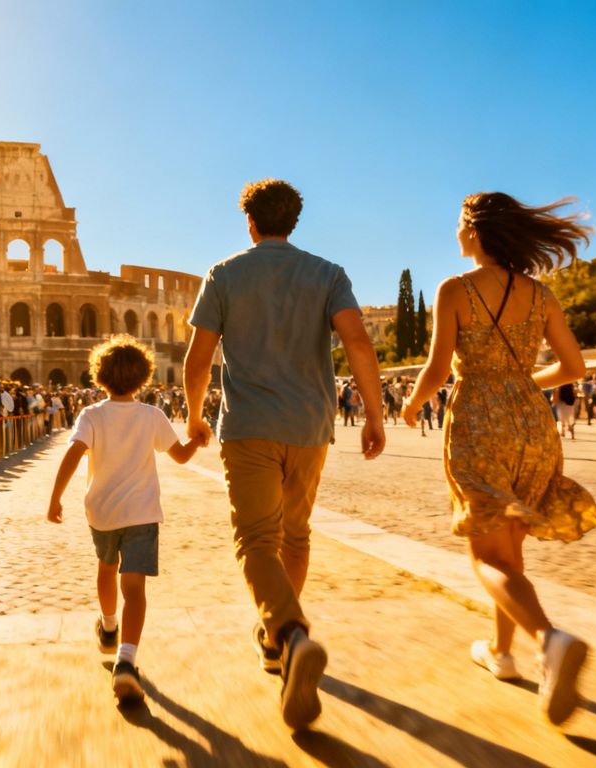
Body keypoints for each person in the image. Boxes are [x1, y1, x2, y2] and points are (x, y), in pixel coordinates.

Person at [184, 178, 385, 730]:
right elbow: (359, 343)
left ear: (249, 222)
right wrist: (373, 413)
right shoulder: (328, 274)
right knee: (294, 535)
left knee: (256, 540)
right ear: (293, 221)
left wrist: (196, 415)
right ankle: (278, 640)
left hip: (249, 426)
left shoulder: (225, 274)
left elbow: (198, 359)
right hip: (310, 426)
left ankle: (291, 633)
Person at [401, 192, 596, 726]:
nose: (457, 236)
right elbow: (574, 366)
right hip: (533, 425)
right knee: (509, 548)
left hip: (478, 425)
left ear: (474, 231)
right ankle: (502, 653)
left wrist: (412, 404)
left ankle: (549, 640)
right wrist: (520, 385)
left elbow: (439, 368)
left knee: (487, 556)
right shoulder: (541, 294)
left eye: (459, 226)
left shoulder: (456, 288)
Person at [47, 336, 200, 705]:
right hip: (143, 512)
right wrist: (197, 439)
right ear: (144, 377)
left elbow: (73, 454)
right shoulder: (152, 415)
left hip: (102, 511)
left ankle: (109, 626)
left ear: (99, 376)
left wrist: (55, 498)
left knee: (105, 568)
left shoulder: (92, 415)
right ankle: (126, 661)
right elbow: (179, 456)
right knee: (135, 588)